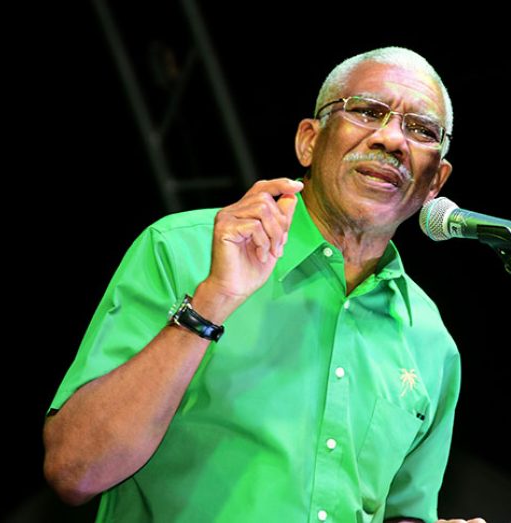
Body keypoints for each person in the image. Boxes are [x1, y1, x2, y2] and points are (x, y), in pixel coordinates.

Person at [44, 46, 485, 523]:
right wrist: (212, 301)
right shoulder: (182, 250)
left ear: (435, 180)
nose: (393, 139)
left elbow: (402, 514)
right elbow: (75, 471)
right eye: (368, 111)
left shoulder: (430, 340)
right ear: (309, 141)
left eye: (421, 130)